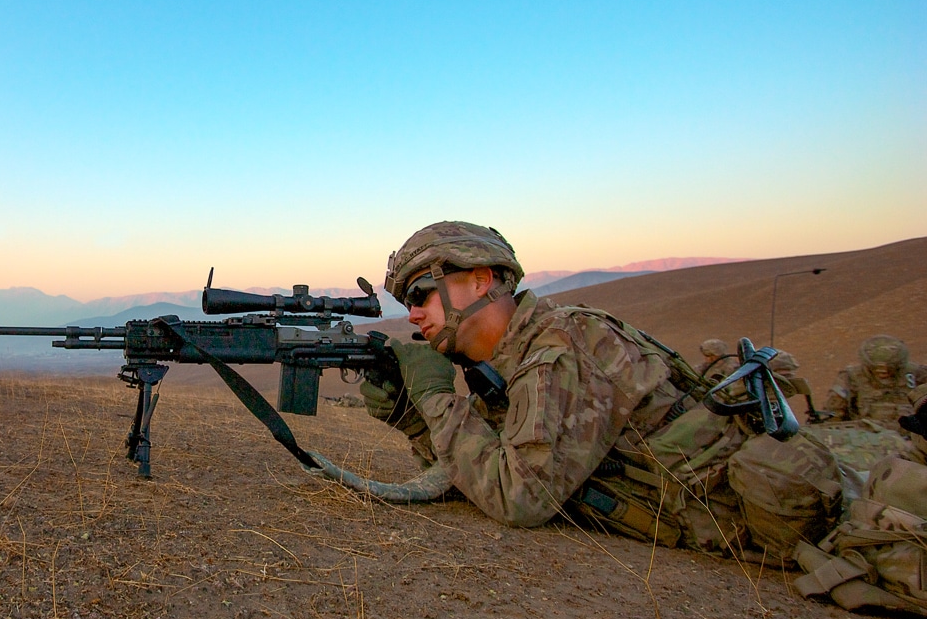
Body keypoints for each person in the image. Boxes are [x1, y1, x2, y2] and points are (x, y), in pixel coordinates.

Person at [313, 221, 839, 563]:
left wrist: (432, 397)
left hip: (769, 530)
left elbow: (520, 497)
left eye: (422, 294)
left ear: (478, 280)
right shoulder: (515, 357)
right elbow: (486, 461)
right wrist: (410, 416)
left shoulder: (560, 348)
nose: (414, 314)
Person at [823, 335, 923, 423]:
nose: (883, 372)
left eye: (890, 368)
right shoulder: (850, 377)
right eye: (875, 368)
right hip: (865, 438)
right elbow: (833, 414)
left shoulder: (918, 374)